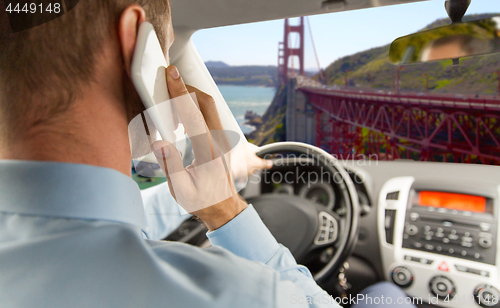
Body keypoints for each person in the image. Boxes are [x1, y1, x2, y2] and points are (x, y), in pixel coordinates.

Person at [0, 1, 416, 307]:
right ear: (134, 43)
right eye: (164, 55)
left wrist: (216, 191)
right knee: (387, 296)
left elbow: (116, 217)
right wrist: (227, 211)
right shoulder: (242, 296)